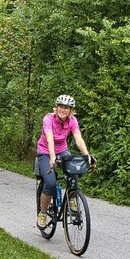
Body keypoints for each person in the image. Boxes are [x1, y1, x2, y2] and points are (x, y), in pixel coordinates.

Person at [36, 94, 95, 228]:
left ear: (71, 110)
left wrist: (87, 155)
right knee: (50, 183)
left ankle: (72, 199)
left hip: (62, 150)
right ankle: (43, 213)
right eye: (61, 107)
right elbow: (50, 139)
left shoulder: (72, 120)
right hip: (45, 151)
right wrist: (52, 157)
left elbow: (78, 138)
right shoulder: (48, 119)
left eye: (66, 108)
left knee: (73, 172)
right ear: (56, 108)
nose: (63, 110)